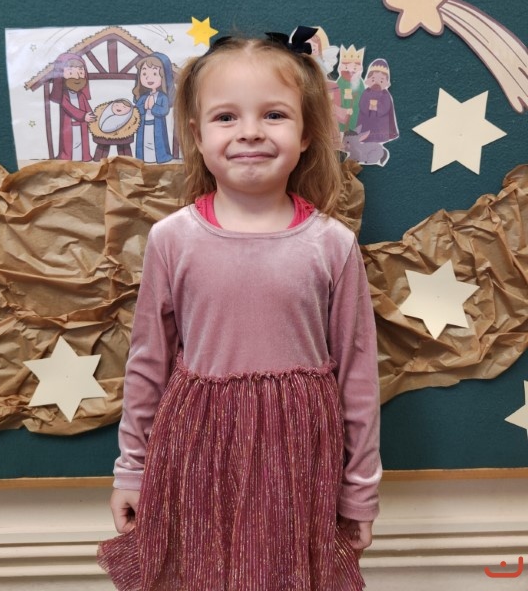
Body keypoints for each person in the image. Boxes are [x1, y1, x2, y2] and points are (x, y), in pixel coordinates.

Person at [98, 36, 381, 591]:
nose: (250, 131)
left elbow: (359, 377)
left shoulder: (332, 245)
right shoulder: (171, 239)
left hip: (298, 454)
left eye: (273, 115)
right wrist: (131, 468)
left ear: (306, 134)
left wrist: (360, 491)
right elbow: (147, 364)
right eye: (226, 117)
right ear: (197, 135)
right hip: (196, 447)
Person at [49, 52, 96, 161]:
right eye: (71, 73)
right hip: (69, 125)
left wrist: (92, 115)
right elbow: (68, 108)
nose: (77, 77)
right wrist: (83, 116)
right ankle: (67, 158)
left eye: (81, 72)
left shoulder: (81, 95)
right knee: (69, 144)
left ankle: (83, 158)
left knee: (82, 143)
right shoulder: (64, 95)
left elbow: (87, 106)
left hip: (82, 125)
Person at [133, 53, 175, 163]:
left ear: (163, 76)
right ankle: (143, 158)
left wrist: (153, 107)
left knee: (157, 142)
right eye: (144, 73)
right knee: (144, 142)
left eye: (155, 73)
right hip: (143, 126)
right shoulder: (143, 97)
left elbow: (164, 110)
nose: (149, 78)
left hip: (157, 126)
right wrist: (143, 107)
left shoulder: (162, 97)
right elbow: (137, 110)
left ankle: (160, 157)